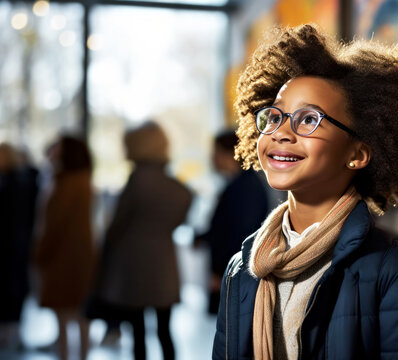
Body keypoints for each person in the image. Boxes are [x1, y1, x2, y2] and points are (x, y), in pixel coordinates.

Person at [212, 24, 398, 359]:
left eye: (308, 120)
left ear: (357, 154)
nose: (281, 132)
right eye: (274, 117)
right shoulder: (241, 269)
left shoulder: (393, 273)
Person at [94, 121, 193, 360]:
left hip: (135, 266)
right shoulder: (175, 186)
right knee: (164, 331)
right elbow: (185, 204)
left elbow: (118, 225)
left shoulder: (137, 180)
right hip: (164, 265)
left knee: (138, 333)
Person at [33, 135, 95, 360]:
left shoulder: (65, 183)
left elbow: (53, 225)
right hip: (79, 256)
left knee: (66, 315)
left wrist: (39, 254)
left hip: (63, 257)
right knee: (79, 315)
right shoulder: (82, 180)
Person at [196, 130, 270, 314]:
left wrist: (220, 270)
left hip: (236, 274)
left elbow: (240, 234)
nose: (212, 158)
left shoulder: (244, 187)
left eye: (215, 152)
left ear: (230, 153)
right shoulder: (240, 184)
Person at [0, 144, 39, 349]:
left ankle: (12, 331)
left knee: (13, 287)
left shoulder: (19, 182)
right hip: (16, 243)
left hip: (14, 244)